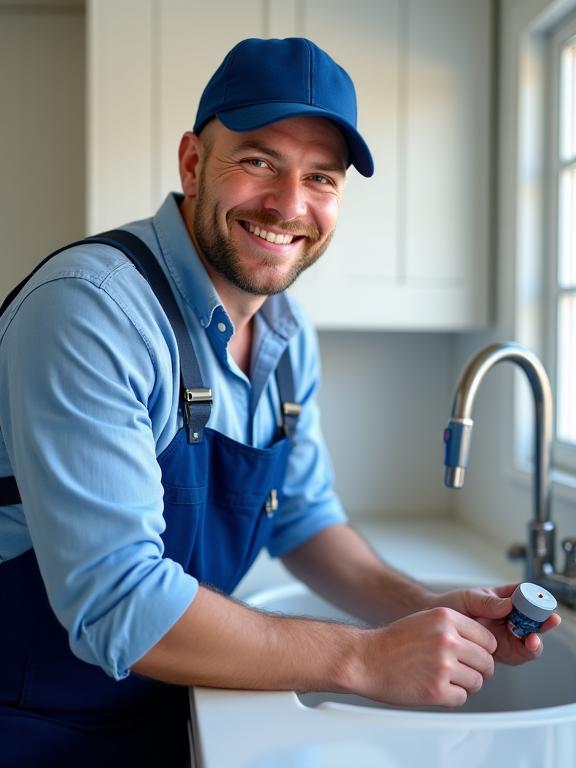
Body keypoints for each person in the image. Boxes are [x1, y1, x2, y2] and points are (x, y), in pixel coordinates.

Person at [0, 36, 560, 767]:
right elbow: (121, 606)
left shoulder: (286, 334)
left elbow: (302, 517)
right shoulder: (93, 310)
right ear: (194, 163)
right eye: (259, 160)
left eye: (321, 178)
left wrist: (424, 608)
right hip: (30, 724)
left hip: (165, 701)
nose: (289, 204)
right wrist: (364, 658)